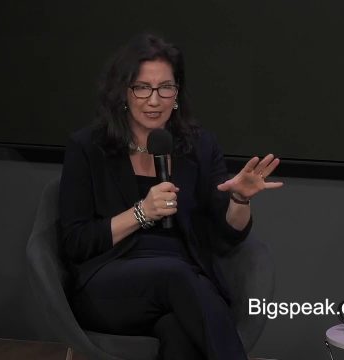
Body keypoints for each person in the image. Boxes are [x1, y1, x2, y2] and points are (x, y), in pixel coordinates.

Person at [58, 33, 283, 360]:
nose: (154, 100)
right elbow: (75, 241)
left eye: (165, 88)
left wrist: (240, 200)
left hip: (183, 287)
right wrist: (141, 213)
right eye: (142, 88)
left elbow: (228, 236)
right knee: (177, 276)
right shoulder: (88, 148)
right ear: (123, 92)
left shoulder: (200, 146)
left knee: (180, 333)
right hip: (110, 286)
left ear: (176, 94)